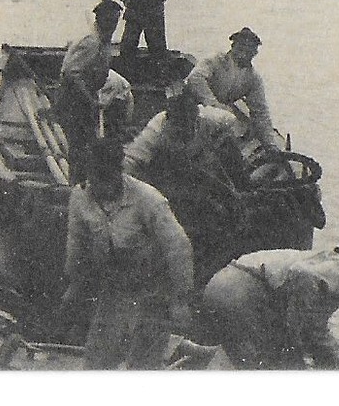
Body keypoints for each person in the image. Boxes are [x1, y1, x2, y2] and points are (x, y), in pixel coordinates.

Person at [61, 137, 195, 369]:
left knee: (143, 364)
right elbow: (77, 244)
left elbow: (178, 247)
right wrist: (74, 286)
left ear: (118, 173)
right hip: (113, 288)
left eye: (106, 178)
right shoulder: (80, 197)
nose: (100, 186)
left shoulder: (148, 199)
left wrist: (179, 301)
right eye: (94, 178)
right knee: (97, 361)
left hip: (154, 289)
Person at [198, 242, 339, 369]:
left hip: (222, 284)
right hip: (242, 294)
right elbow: (303, 275)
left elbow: (314, 328)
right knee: (266, 364)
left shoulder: (319, 259)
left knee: (243, 358)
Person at [125, 92, 248, 248]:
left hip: (197, 160)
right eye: (180, 129)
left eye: (190, 126)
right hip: (166, 171)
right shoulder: (155, 133)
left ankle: (240, 194)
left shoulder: (216, 119)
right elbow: (130, 163)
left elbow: (234, 127)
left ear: (196, 118)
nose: (186, 131)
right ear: (169, 122)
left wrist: (234, 182)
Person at [55, 0, 125, 178]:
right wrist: (89, 99)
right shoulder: (91, 42)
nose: (113, 25)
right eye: (109, 21)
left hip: (85, 96)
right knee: (80, 142)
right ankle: (78, 181)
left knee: (87, 140)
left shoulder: (103, 40)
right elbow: (72, 73)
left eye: (116, 21)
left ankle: (84, 177)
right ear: (99, 19)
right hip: (74, 99)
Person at [186, 28, 283, 153]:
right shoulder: (216, 60)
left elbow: (260, 111)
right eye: (241, 47)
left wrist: (270, 145)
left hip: (222, 115)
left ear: (254, 53)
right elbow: (195, 78)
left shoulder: (252, 78)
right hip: (195, 105)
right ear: (233, 46)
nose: (244, 53)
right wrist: (214, 104)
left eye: (249, 50)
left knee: (238, 133)